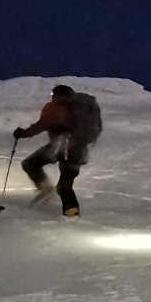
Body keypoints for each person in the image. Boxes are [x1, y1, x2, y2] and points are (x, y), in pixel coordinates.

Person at [13, 84, 101, 218]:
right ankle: (72, 212)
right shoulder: (84, 108)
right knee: (66, 182)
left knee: (30, 164)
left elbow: (41, 125)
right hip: (79, 150)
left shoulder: (54, 107)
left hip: (59, 147)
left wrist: (23, 133)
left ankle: (46, 189)